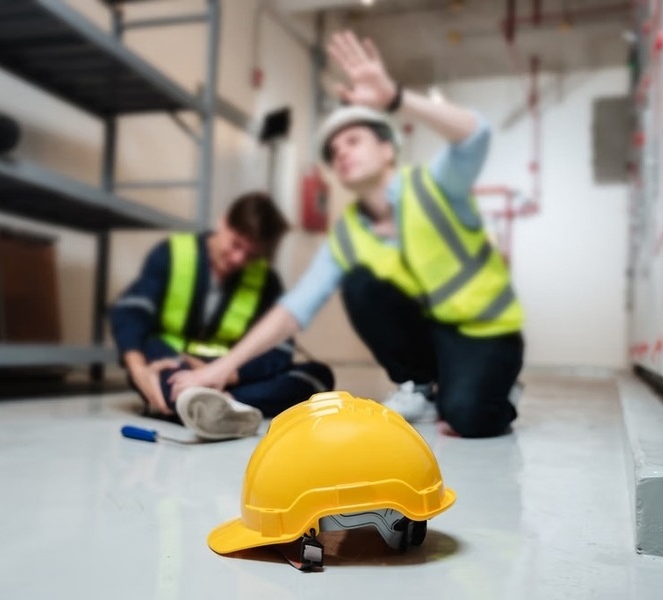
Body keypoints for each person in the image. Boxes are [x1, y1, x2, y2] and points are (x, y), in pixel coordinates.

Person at [169, 31, 524, 438]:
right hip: (432, 332)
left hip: (486, 329)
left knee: (468, 417)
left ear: (388, 149)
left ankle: (499, 388)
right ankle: (420, 386)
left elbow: (475, 135)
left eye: (353, 141)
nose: (342, 153)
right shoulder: (348, 233)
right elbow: (293, 310)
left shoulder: (434, 186)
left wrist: (394, 98)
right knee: (360, 286)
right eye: (335, 152)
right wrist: (222, 367)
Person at [109, 191, 334, 440]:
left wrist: (226, 372)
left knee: (318, 376)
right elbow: (131, 312)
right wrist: (139, 370)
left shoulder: (265, 280)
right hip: (175, 363)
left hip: (230, 375)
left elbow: (279, 350)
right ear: (223, 221)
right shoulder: (173, 254)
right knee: (152, 356)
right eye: (236, 244)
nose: (239, 259)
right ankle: (218, 405)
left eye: (251, 255)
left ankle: (209, 406)